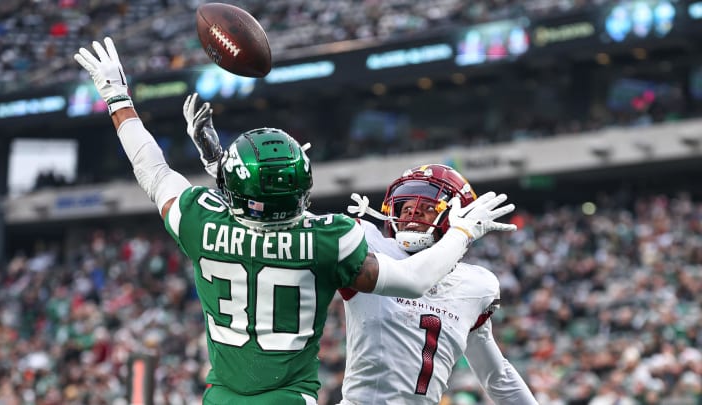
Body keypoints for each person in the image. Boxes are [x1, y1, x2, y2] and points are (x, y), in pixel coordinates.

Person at [74, 37, 518, 405]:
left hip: (222, 397)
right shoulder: (330, 240)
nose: (412, 215)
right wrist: (464, 229)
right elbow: (412, 279)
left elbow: (153, 170)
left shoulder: (200, 220)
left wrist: (117, 97)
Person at [341, 164, 539, 404]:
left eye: (427, 208)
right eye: (407, 208)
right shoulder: (369, 246)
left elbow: (497, 376)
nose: (412, 216)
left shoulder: (477, 285)